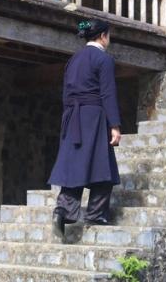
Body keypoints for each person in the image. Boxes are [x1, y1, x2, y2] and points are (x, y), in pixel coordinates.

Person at [48, 18, 122, 242]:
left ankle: (63, 211)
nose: (109, 39)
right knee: (103, 166)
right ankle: (96, 214)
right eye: (109, 35)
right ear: (103, 36)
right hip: (94, 117)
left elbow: (66, 94)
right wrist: (115, 126)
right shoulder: (104, 59)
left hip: (72, 116)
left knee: (75, 165)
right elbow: (108, 94)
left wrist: (68, 118)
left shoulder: (73, 60)